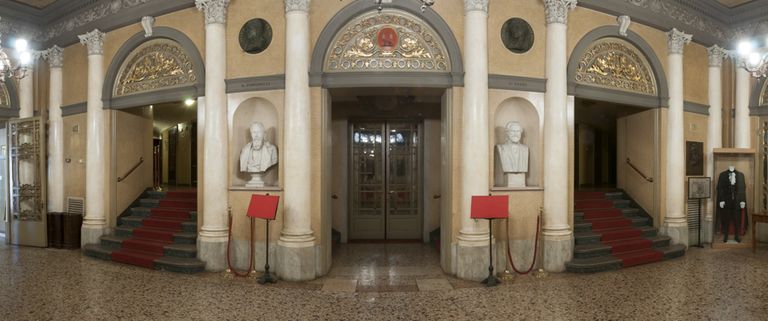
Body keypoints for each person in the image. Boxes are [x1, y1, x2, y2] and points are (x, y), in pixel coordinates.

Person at [716, 165, 748, 243]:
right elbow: (720, 188)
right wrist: (721, 200)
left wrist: (742, 200)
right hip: (726, 202)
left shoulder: (740, 175)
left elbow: (742, 189)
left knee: (737, 220)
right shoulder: (722, 175)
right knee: (726, 220)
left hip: (737, 202)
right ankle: (726, 236)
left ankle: (737, 236)